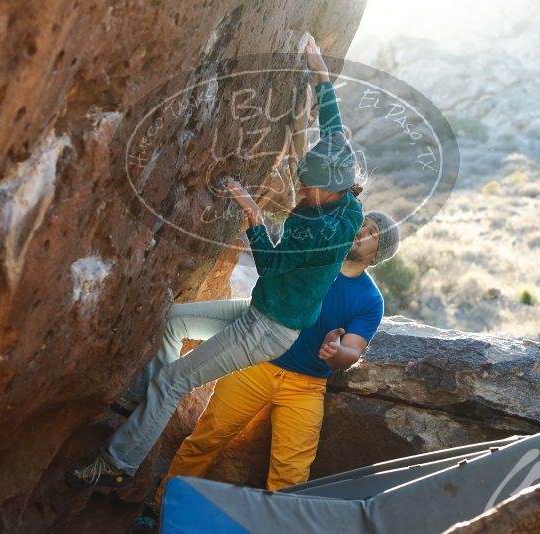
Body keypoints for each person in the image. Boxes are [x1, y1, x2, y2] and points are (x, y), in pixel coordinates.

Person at [66, 34, 365, 488]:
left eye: (308, 185)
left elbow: (268, 263)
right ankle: (135, 405)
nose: (303, 188)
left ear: (325, 189)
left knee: (175, 382)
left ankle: (115, 464)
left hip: (268, 330)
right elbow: (333, 127)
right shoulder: (347, 195)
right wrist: (320, 71)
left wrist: (253, 215)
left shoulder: (319, 231)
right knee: (171, 322)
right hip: (259, 310)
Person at [129, 210, 401, 533]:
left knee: (291, 475)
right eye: (361, 224)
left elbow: (353, 351)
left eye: (371, 234)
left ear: (377, 255)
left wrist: (336, 352)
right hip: (258, 362)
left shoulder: (371, 300)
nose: (360, 232)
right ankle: (159, 510)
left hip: (306, 387)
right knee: (207, 437)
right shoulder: (316, 259)